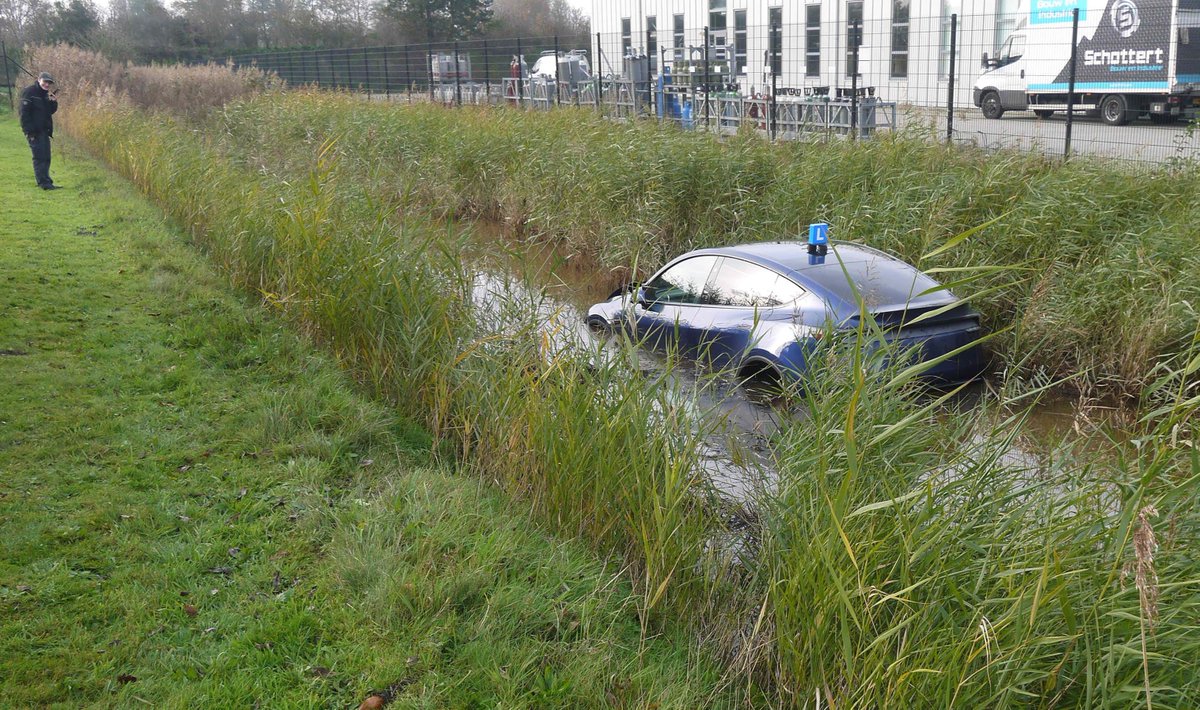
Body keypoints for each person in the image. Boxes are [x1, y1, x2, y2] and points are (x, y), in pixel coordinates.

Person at [19, 72, 60, 190]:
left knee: (46, 157)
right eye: (45, 81)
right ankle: (43, 183)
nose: (47, 84)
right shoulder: (29, 92)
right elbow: (23, 114)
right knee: (39, 157)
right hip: (34, 132)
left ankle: (47, 181)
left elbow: (49, 112)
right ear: (39, 80)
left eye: (49, 83)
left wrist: (53, 101)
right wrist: (29, 132)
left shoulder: (45, 95)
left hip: (44, 131)